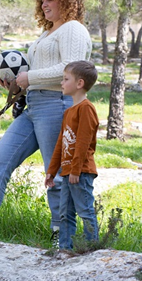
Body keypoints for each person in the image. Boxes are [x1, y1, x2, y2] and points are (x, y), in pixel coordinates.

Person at [0, 0, 92, 245]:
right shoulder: (47, 33)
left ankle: (61, 232)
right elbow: (36, 75)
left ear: (67, 1)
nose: (44, 3)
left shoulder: (72, 29)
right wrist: (17, 86)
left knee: (57, 173)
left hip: (57, 105)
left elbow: (70, 69)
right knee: (0, 157)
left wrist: (29, 77)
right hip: (34, 106)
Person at [44, 60, 99, 250]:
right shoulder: (69, 111)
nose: (62, 83)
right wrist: (52, 171)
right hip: (68, 172)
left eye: (66, 79)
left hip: (81, 172)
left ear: (79, 83)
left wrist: (76, 170)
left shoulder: (86, 109)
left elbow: (83, 143)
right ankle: (64, 250)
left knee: (85, 211)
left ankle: (92, 249)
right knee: (65, 213)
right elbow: (61, 144)